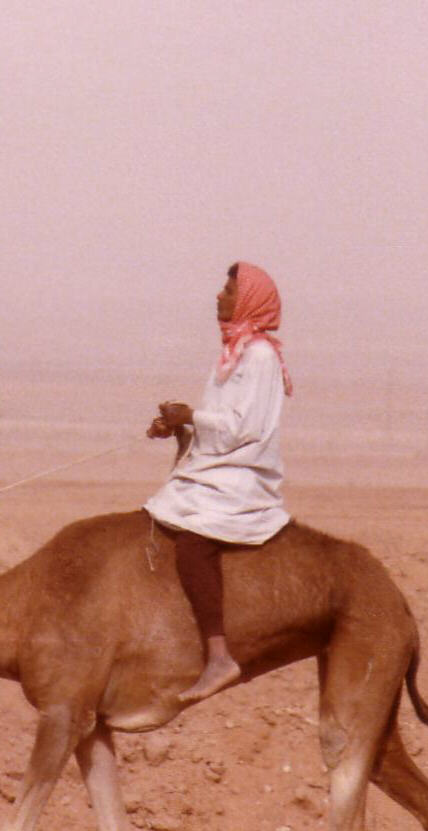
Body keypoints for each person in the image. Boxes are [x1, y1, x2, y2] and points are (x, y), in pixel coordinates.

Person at [144, 262, 293, 703]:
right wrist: (178, 426)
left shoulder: (261, 356)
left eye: (228, 291)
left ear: (246, 299)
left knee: (193, 542)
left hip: (241, 472)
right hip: (219, 463)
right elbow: (217, 423)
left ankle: (218, 655)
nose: (218, 297)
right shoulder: (234, 353)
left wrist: (190, 416)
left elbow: (240, 428)